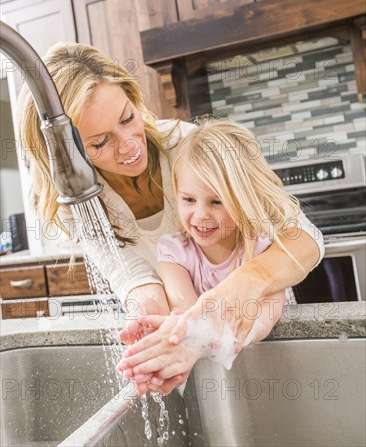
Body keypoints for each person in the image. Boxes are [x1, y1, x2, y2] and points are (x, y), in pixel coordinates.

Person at [17, 42, 324, 393]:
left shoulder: (191, 147)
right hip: (196, 340)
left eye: (128, 118)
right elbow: (137, 279)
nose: (129, 145)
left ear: (133, 98)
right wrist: (158, 327)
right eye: (101, 143)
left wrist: (246, 282)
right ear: (64, 154)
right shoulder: (80, 200)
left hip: (264, 347)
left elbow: (305, 236)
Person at [117, 119, 300, 393]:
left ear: (244, 198)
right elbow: (187, 313)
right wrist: (180, 341)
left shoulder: (264, 249)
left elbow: (264, 318)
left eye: (216, 201)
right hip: (227, 384)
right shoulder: (174, 252)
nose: (201, 215)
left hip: (282, 371)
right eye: (188, 200)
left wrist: (208, 341)